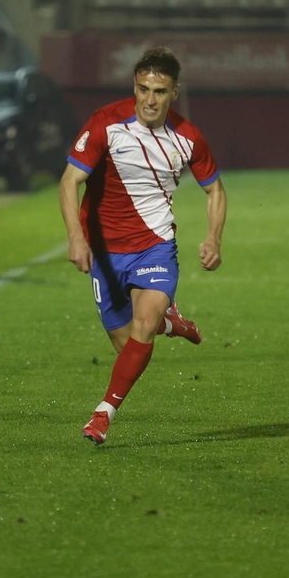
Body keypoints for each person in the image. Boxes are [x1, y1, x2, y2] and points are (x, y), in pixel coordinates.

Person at [60, 47, 224, 446]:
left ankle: (102, 415)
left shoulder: (187, 138)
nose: (150, 99)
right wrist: (76, 237)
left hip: (155, 246)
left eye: (159, 91)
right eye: (143, 89)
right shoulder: (106, 123)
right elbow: (69, 181)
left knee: (144, 325)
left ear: (174, 93)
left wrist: (213, 237)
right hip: (104, 252)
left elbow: (215, 190)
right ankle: (172, 323)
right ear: (134, 86)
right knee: (127, 346)